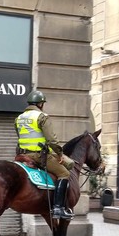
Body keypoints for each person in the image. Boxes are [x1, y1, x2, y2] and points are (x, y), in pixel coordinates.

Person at [15, 90, 74, 220]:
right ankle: (58, 208)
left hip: (22, 155)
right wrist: (60, 154)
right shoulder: (41, 116)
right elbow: (51, 140)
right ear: (40, 104)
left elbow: (20, 137)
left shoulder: (19, 118)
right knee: (64, 174)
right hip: (38, 156)